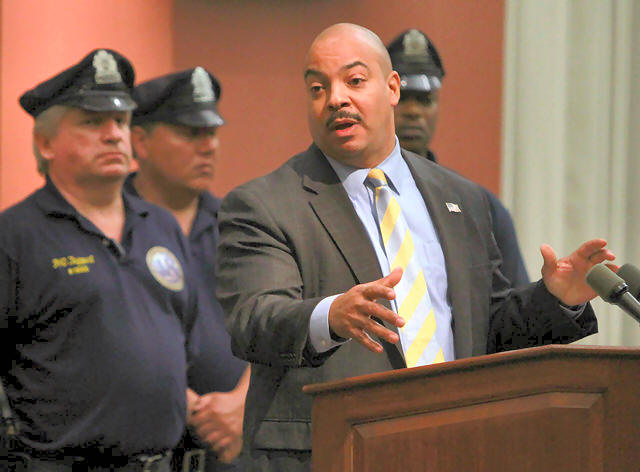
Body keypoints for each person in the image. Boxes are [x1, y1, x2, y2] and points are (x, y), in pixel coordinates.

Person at [215, 23, 614, 471]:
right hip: (334, 453)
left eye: (354, 80)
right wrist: (331, 315)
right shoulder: (265, 205)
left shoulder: (461, 199)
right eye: (317, 88)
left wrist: (555, 299)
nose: (336, 99)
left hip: (455, 448)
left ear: (392, 88)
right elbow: (254, 319)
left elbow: (483, 330)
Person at [0, 50, 199, 472]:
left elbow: (187, 339)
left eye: (122, 121)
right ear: (45, 143)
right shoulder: (14, 236)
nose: (114, 135)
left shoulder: (160, 225)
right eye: (93, 122)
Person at [128, 67, 250, 472]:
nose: (208, 146)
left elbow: (278, 326)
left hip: (232, 455)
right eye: (190, 133)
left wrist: (242, 402)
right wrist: (179, 400)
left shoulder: (241, 226)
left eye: (212, 133)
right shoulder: (109, 226)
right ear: (140, 141)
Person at [387, 28, 530, 287]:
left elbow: (516, 303)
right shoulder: (357, 194)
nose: (413, 111)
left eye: (425, 100)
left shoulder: (479, 207)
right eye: (403, 98)